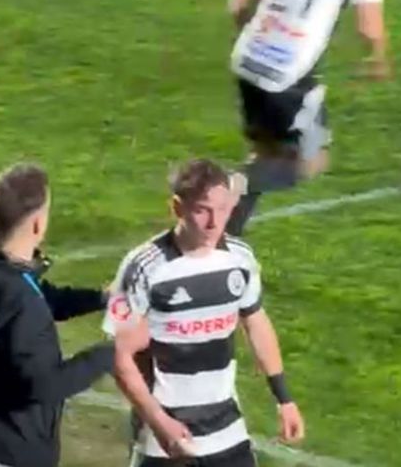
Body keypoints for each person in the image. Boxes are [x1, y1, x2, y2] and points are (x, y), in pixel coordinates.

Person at [105, 159, 305, 466]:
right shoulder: (143, 267)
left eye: (222, 209)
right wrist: (158, 421)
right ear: (177, 208)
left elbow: (255, 322)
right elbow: (118, 356)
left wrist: (284, 399)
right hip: (166, 437)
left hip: (227, 429)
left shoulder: (239, 258)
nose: (214, 222)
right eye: (202, 210)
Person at [226, 0, 389, 236]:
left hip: (247, 60)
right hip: (289, 74)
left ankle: (224, 237)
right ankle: (228, 184)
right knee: (311, 161)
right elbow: (369, 28)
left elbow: (237, 3)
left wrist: (255, 36)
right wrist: (377, 59)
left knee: (266, 153)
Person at [0, 163, 114, 467]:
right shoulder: (18, 299)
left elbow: (44, 297)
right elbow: (47, 386)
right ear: (37, 225)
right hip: (18, 455)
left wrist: (100, 298)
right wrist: (110, 354)